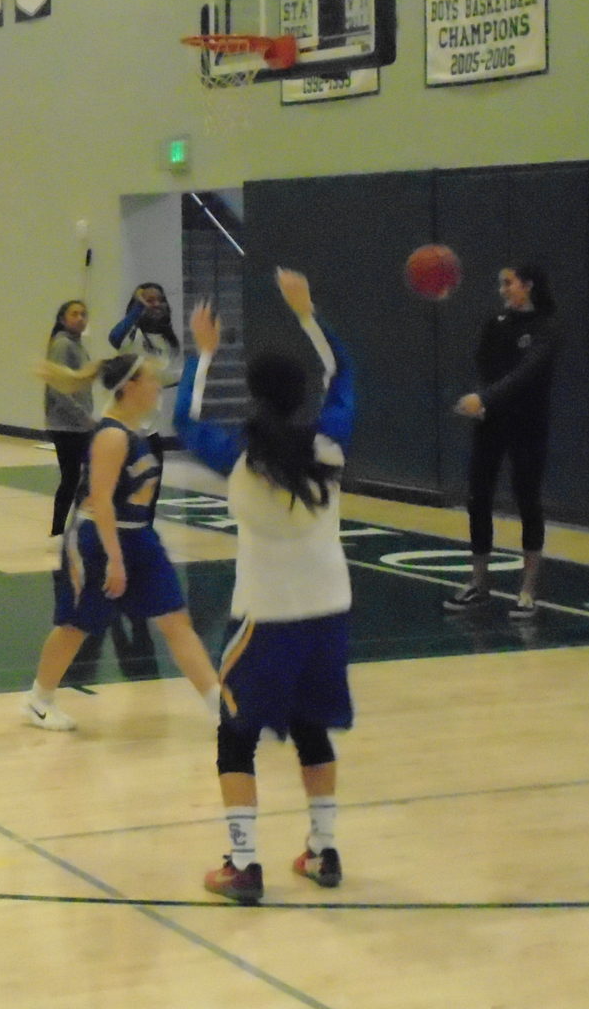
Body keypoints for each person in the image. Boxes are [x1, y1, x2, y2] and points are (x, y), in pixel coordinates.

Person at [175, 271, 355, 905]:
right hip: (329, 608)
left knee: (236, 735)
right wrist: (308, 314)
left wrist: (202, 354)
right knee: (311, 727)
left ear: (252, 393)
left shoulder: (239, 459)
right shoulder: (329, 445)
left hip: (266, 615)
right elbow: (345, 374)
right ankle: (324, 850)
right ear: (302, 393)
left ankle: (243, 863)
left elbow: (185, 418)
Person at [23, 348, 220, 732]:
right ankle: (38, 701)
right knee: (76, 626)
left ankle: (221, 709)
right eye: (151, 379)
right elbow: (100, 500)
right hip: (98, 542)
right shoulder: (112, 436)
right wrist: (115, 559)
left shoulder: (136, 431)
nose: (157, 387)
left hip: (139, 537)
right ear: (130, 386)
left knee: (176, 620)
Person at [444, 263, 561, 620]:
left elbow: (526, 373)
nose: (503, 289)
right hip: (491, 422)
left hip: (528, 424)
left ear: (528, 285)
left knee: (527, 500)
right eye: (502, 284)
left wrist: (486, 397)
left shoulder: (547, 326)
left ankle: (527, 590)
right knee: (478, 498)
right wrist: (482, 402)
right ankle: (479, 583)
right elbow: (485, 366)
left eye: (509, 283)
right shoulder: (496, 323)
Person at [41, 300, 97, 536]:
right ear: (63, 319)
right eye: (75, 314)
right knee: (72, 478)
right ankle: (59, 530)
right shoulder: (63, 344)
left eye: (83, 314)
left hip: (78, 425)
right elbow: (59, 389)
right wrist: (83, 417)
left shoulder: (77, 345)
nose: (80, 318)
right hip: (67, 426)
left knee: (80, 478)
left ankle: (77, 527)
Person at [108, 283, 184, 435]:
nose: (156, 304)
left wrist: (189, 373)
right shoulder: (131, 334)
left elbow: (160, 377)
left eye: (160, 300)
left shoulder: (165, 339)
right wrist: (138, 307)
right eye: (149, 300)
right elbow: (114, 336)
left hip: (152, 423)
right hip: (128, 423)